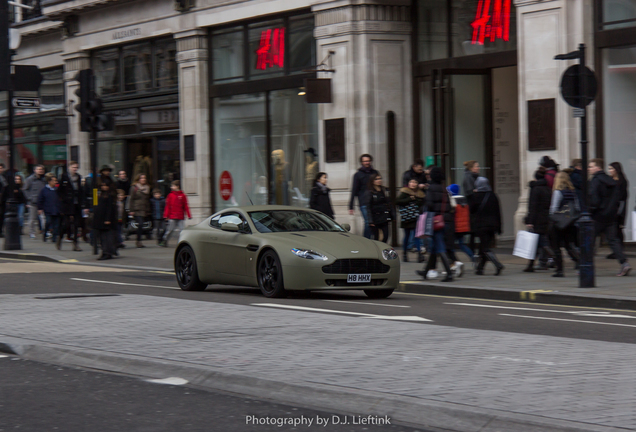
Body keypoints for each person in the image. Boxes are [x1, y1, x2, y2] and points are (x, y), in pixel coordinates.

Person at [588, 158, 631, 276]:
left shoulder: (595, 180)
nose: (589, 169)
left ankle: (586, 265)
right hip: (611, 216)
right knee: (613, 240)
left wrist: (590, 212)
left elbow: (594, 200)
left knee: (589, 240)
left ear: (598, 167)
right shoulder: (610, 180)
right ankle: (624, 263)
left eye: (591, 166)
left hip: (598, 216)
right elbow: (617, 199)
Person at [416, 166, 454, 282]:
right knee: (433, 248)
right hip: (445, 220)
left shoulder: (431, 188)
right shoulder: (444, 189)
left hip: (435, 221)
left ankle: (449, 273)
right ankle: (425, 271)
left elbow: (430, 205)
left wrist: (422, 208)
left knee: (440, 247)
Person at [469, 177, 504, 275]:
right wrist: (500, 227)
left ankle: (497, 264)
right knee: (484, 246)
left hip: (482, 225)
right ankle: (480, 268)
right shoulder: (493, 195)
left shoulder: (476, 196)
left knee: (485, 248)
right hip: (493, 225)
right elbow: (498, 212)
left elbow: (471, 210)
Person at [549, 172, 581, 277]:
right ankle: (578, 262)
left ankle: (559, 270)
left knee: (556, 247)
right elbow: (576, 207)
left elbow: (553, 209)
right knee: (568, 245)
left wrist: (552, 218)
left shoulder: (558, 192)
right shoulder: (573, 192)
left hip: (558, 223)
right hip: (569, 223)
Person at [524, 167, 553, 272]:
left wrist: (530, 221)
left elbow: (533, 206)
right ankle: (531, 265)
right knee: (537, 243)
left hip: (537, 219)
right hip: (546, 218)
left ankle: (556, 260)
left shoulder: (535, 189)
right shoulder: (548, 189)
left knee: (542, 242)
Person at [56, 161, 86, 251]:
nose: (75, 169)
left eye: (76, 167)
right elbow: (59, 190)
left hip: (76, 204)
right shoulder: (64, 177)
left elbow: (81, 191)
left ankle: (75, 244)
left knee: (77, 224)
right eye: (73, 167)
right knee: (66, 224)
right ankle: (59, 238)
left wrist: (83, 204)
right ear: (69, 167)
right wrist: (63, 199)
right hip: (67, 205)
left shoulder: (78, 177)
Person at [348, 154, 379, 239]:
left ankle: (374, 240)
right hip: (364, 202)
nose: (367, 163)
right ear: (361, 162)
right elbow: (354, 190)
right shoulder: (358, 175)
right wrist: (351, 206)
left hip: (375, 202)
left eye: (368, 161)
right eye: (365, 161)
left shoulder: (375, 173)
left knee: (375, 222)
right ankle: (366, 240)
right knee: (368, 222)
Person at [396, 178, 425, 262]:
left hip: (416, 217)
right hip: (407, 217)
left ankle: (419, 255)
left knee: (417, 236)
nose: (413, 184)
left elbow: (421, 203)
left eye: (415, 182)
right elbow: (397, 201)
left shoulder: (420, 193)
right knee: (407, 236)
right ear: (408, 183)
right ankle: (405, 254)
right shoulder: (405, 192)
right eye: (411, 182)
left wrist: (416, 200)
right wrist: (410, 199)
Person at [362, 173, 392, 243]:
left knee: (386, 236)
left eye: (380, 178)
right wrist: (370, 220)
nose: (379, 180)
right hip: (375, 217)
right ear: (372, 181)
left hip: (384, 216)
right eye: (376, 179)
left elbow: (389, 203)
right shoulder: (369, 192)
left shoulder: (384, 190)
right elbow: (368, 206)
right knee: (376, 237)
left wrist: (392, 215)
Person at [160, 180, 192, 247]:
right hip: (172, 216)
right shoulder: (170, 195)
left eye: (173, 186)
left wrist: (189, 215)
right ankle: (164, 240)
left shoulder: (183, 195)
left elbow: (185, 206)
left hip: (180, 216)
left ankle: (181, 242)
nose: (171, 187)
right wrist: (166, 215)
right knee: (170, 230)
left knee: (181, 231)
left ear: (177, 186)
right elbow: (168, 206)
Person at [448, 184, 474, 265]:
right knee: (462, 245)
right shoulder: (464, 201)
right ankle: (473, 257)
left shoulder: (452, 201)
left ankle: (455, 262)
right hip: (463, 227)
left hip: (455, 227)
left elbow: (451, 215)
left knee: (450, 246)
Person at [607, 162, 629, 259]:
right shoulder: (611, 180)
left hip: (619, 206)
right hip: (612, 206)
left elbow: (622, 196)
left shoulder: (621, 181)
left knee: (618, 228)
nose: (610, 171)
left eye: (611, 169)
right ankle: (616, 250)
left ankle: (619, 250)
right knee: (614, 229)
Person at [94, 178, 117, 260]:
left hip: (106, 219)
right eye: (103, 185)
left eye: (105, 185)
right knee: (101, 237)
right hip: (99, 218)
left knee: (107, 237)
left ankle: (107, 252)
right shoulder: (98, 193)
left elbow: (110, 208)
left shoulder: (110, 195)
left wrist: (108, 219)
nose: (104, 187)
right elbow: (94, 204)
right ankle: (104, 252)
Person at [24, 165, 47, 239]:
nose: (41, 170)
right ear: (35, 170)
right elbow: (25, 189)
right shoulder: (30, 179)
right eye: (39, 169)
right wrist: (30, 198)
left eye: (42, 169)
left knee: (44, 218)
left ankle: (45, 231)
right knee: (32, 218)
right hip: (33, 202)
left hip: (43, 201)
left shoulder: (44, 179)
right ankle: (32, 232)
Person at [128, 173, 151, 248]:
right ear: (138, 179)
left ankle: (139, 240)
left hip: (144, 209)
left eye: (144, 178)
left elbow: (147, 200)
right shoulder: (134, 188)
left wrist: (148, 210)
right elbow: (131, 199)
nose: (143, 179)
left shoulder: (147, 188)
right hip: (136, 208)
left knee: (142, 225)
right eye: (141, 178)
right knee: (140, 224)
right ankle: (138, 241)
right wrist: (131, 210)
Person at [37, 174, 61, 243]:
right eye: (54, 181)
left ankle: (54, 237)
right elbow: (40, 199)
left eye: (56, 180)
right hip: (48, 209)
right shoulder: (44, 190)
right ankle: (45, 232)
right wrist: (40, 208)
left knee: (56, 224)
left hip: (57, 209)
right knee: (48, 222)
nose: (55, 182)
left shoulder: (57, 190)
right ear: (49, 181)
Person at [0, 163, 7, 237]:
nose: (0, 170)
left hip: (3, 200)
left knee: (2, 216)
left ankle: (1, 231)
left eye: (1, 168)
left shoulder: (4, 177)